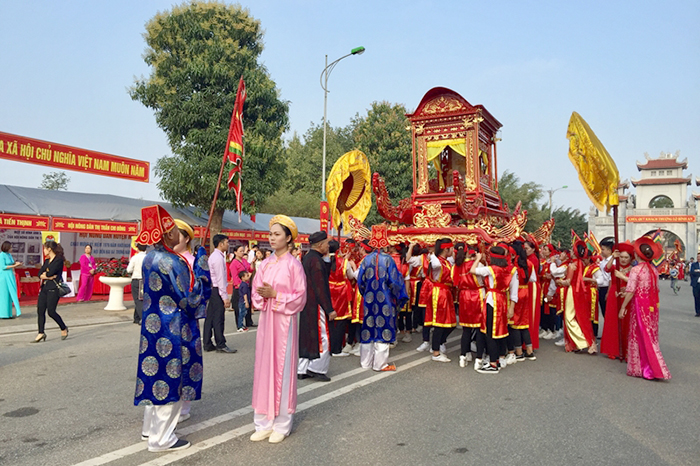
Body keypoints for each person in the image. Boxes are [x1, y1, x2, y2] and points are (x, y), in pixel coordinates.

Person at [133, 205, 211, 452]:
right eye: (175, 230)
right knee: (172, 382)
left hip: (154, 328)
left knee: (155, 378)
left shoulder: (149, 257)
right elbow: (190, 299)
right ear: (167, 234)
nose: (178, 233)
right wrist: (201, 269)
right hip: (174, 330)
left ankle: (150, 431)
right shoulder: (171, 262)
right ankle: (162, 439)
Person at [250, 215, 307, 444]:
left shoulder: (294, 265)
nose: (272, 238)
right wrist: (261, 298)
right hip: (266, 321)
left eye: (277, 234)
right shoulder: (265, 264)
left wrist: (277, 296)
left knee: (282, 370)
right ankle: (263, 422)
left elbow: (300, 297)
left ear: (288, 238)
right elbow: (255, 291)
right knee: (264, 368)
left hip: (285, 322)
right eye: (270, 234)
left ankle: (282, 423)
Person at [619, 236, 671, 380]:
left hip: (639, 306)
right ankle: (646, 366)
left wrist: (623, 307)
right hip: (652, 307)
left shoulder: (636, 270)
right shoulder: (653, 270)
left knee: (639, 334)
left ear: (636, 254)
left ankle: (649, 368)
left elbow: (630, 291)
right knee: (650, 335)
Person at [356, 241, 408, 371]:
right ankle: (380, 364)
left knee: (368, 327)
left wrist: (366, 293)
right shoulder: (388, 260)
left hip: (369, 298)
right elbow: (394, 282)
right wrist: (398, 295)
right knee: (383, 326)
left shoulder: (366, 260)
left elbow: (360, 281)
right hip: (385, 299)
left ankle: (365, 363)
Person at [470, 245, 518, 374]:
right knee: (500, 331)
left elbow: (472, 270)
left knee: (489, 332)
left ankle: (493, 363)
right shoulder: (511, 270)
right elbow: (514, 292)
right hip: (503, 301)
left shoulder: (491, 269)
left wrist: (477, 259)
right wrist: (511, 308)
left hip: (492, 300)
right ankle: (498, 359)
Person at [297, 231, 336, 382]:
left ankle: (302, 368)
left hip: (307, 303)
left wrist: (326, 258)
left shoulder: (308, 257)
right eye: (326, 243)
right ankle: (317, 368)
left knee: (308, 335)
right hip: (317, 303)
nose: (328, 245)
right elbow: (321, 287)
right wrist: (329, 309)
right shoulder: (316, 261)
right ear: (320, 245)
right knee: (323, 336)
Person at [419, 238, 456, 363]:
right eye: (451, 248)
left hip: (446, 293)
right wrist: (433, 253)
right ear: (446, 249)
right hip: (439, 293)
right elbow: (435, 265)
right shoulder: (437, 262)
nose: (453, 251)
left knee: (450, 323)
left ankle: (438, 343)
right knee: (439, 323)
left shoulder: (446, 262)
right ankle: (436, 352)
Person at [600, 242, 634, 360]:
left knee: (625, 322)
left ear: (630, 258)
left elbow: (636, 282)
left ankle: (625, 349)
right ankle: (612, 349)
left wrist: (624, 279)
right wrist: (613, 257)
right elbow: (606, 268)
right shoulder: (615, 266)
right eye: (622, 257)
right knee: (612, 322)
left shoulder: (633, 270)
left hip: (626, 297)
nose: (624, 260)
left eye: (626, 257)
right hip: (614, 295)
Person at [204, 234, 236, 354]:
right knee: (218, 318)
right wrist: (225, 297)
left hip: (214, 290)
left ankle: (207, 343)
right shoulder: (217, 258)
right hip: (217, 290)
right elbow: (220, 279)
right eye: (227, 242)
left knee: (211, 317)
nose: (228, 245)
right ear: (221, 244)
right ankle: (220, 343)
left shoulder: (215, 256)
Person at [32, 240, 69, 342]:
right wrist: (47, 276)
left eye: (45, 248)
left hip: (54, 288)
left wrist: (47, 275)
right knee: (40, 310)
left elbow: (50, 273)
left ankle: (63, 327)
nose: (43, 250)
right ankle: (41, 332)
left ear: (49, 249)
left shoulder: (58, 260)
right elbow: (40, 274)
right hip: (44, 288)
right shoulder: (47, 261)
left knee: (51, 312)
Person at [452, 246, 483, 367]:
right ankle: (479, 359)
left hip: (464, 297)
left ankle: (463, 355)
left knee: (466, 329)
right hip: (477, 295)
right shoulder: (478, 265)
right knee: (480, 328)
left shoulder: (456, 267)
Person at [327, 240, 353, 357]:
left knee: (328, 320)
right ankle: (337, 349)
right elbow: (351, 276)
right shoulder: (344, 262)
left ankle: (328, 346)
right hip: (341, 291)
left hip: (328, 290)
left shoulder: (324, 261)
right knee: (341, 320)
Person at [229, 243, 254, 327]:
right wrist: (239, 285)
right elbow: (235, 276)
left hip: (246, 285)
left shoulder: (244, 261)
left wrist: (252, 263)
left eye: (243, 251)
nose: (242, 252)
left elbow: (250, 269)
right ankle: (239, 323)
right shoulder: (234, 263)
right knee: (239, 305)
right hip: (239, 287)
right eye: (240, 251)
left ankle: (249, 321)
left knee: (248, 303)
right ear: (235, 252)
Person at [127, 243, 148, 324]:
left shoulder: (135, 258)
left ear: (137, 248)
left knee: (138, 300)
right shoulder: (148, 257)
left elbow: (129, 270)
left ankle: (143, 318)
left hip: (136, 279)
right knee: (141, 298)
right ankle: (136, 318)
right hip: (145, 280)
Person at [0, 241, 22, 319]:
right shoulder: (1, 255)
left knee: (10, 295)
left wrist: (17, 264)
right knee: (4, 295)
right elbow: (3, 267)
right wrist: (14, 265)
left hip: (10, 275)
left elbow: (11, 263)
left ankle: (9, 313)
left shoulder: (9, 255)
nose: (11, 249)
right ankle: (3, 313)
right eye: (10, 247)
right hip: (4, 277)